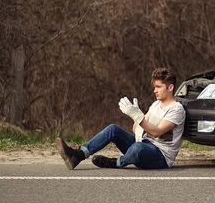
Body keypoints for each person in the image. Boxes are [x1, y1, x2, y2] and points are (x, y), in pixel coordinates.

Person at [56, 67, 185, 170]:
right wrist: (137, 116)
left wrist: (138, 118)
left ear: (170, 87)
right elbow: (136, 129)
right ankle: (78, 155)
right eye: (154, 87)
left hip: (160, 156)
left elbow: (157, 132)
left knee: (137, 148)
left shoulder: (176, 109)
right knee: (113, 129)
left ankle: (116, 162)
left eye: (158, 87)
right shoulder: (156, 104)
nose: (154, 91)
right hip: (144, 145)